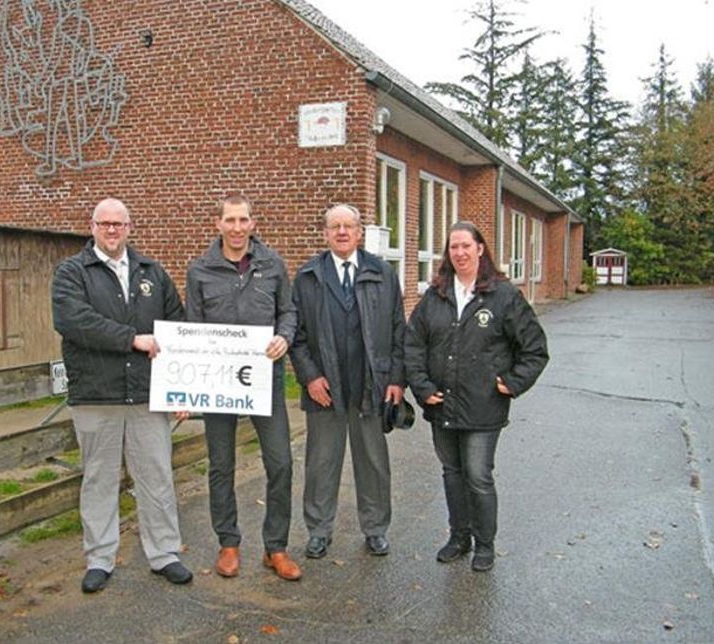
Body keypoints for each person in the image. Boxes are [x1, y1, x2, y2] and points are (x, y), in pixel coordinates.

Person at [51, 198, 193, 592]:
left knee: (157, 477)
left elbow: (175, 328)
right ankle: (99, 558)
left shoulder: (152, 272)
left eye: (119, 224)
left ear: (130, 227)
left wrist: (180, 389)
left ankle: (164, 553)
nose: (112, 230)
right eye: (104, 224)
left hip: (148, 395)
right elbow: (73, 321)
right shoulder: (72, 272)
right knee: (98, 479)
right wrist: (131, 339)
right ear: (92, 226)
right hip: (97, 396)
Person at [404, 220, 548, 572]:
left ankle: (485, 543)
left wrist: (512, 382)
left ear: (480, 249)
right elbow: (413, 345)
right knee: (452, 472)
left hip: (483, 407)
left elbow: (535, 350)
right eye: (454, 247)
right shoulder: (435, 294)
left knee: (478, 474)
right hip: (441, 404)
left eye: (466, 245)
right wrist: (422, 388)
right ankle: (459, 537)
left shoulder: (503, 296)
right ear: (447, 253)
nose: (460, 252)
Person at [185, 193, 301, 581]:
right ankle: (229, 542)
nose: (237, 228)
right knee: (221, 465)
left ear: (253, 223)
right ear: (217, 224)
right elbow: (193, 331)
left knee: (280, 462)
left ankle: (276, 547)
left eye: (243, 220)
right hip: (219, 384)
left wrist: (284, 336)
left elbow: (288, 311)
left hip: (264, 380)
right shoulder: (200, 270)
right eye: (230, 220)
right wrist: (186, 388)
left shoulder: (272, 266)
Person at [289, 204, 405, 559]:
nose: (341, 232)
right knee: (322, 462)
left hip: (371, 385)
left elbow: (400, 330)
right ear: (325, 233)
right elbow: (297, 335)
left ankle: (375, 529)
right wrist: (309, 377)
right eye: (334, 226)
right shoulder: (308, 276)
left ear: (359, 232)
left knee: (372, 463)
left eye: (348, 226)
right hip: (325, 388)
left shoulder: (382, 274)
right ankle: (319, 530)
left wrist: (396, 379)